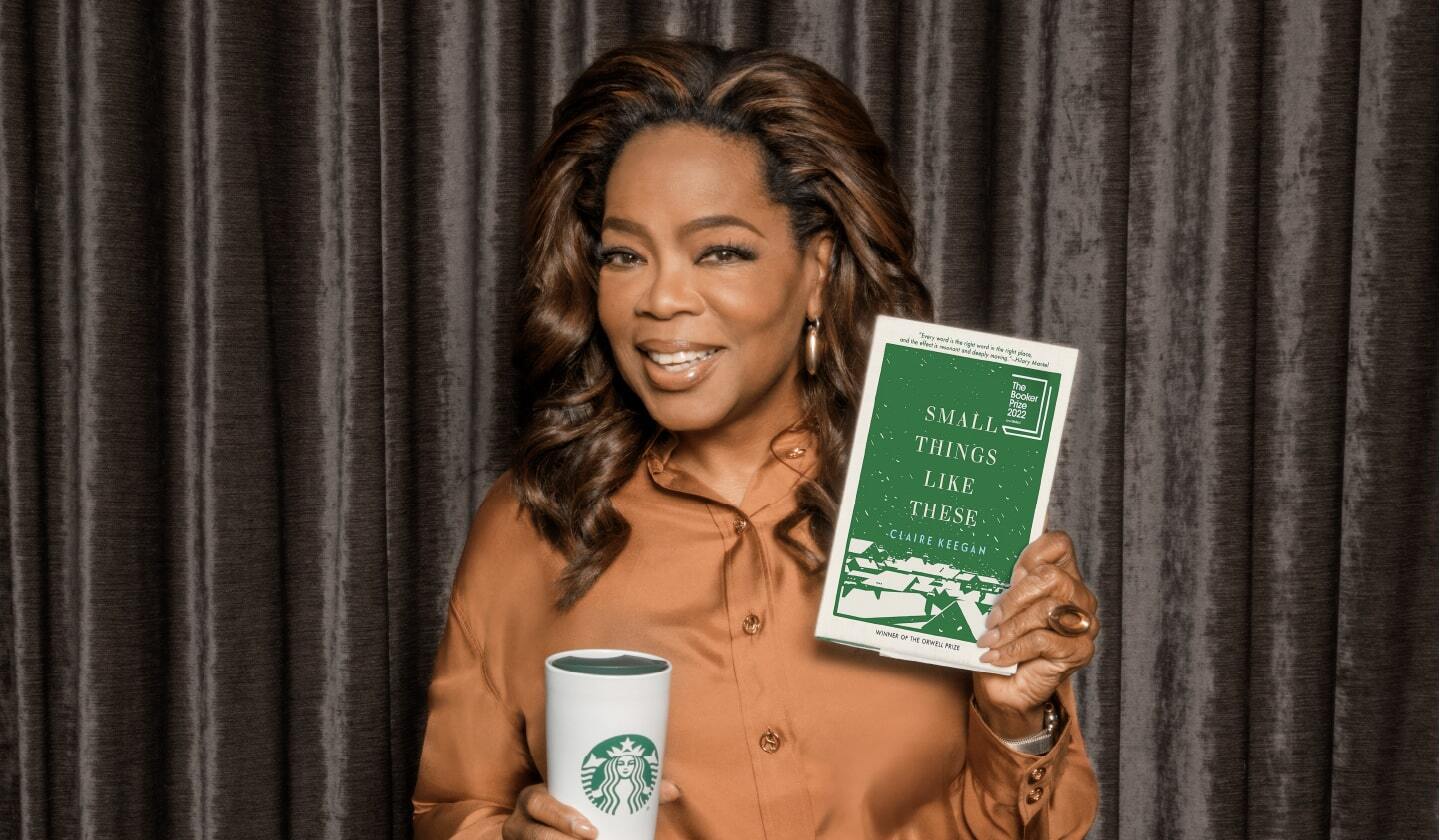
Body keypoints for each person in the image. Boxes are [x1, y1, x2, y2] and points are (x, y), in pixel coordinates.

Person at [412, 38, 1100, 840]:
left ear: (817, 269)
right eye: (626, 254)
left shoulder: (937, 485)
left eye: (721, 251)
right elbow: (450, 809)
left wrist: (1015, 720)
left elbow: (1027, 826)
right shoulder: (530, 522)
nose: (661, 298)